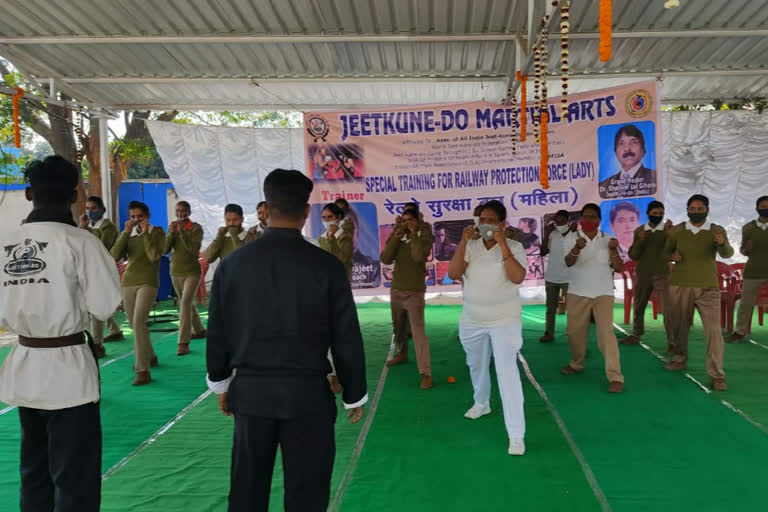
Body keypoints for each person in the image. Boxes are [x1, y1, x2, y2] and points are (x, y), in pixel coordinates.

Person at [206, 169, 367, 512]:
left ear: (266, 208)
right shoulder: (326, 266)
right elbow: (346, 335)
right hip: (307, 393)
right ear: (306, 211)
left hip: (251, 393)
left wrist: (221, 383)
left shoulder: (232, 265)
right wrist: (354, 392)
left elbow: (218, 330)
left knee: (247, 490)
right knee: (307, 491)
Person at [0, 156, 121, 511]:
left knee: (33, 470)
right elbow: (104, 306)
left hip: (25, 365)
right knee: (75, 475)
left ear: (28, 194)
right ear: (75, 195)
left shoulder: (6, 242)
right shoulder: (81, 243)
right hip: (69, 372)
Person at [448, 200, 528, 455]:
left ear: (503, 224)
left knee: (507, 372)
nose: (486, 224)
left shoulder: (514, 246)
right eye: (482, 219)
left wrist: (503, 243)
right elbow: (453, 272)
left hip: (504, 318)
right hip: (473, 317)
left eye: (492, 219)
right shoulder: (470, 246)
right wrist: (462, 243)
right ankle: (482, 402)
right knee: (476, 363)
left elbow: (517, 277)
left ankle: (516, 434)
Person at [662, 195, 733, 390]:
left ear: (707, 209)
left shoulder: (717, 230)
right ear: (687, 210)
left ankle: (717, 374)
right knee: (679, 326)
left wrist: (721, 243)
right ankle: (679, 358)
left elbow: (727, 254)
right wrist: (672, 256)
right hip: (680, 285)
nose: (695, 211)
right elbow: (665, 253)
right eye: (692, 208)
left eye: (700, 208)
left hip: (708, 287)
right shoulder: (677, 231)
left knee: (714, 331)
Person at [561, 203, 625, 393]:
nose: (589, 220)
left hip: (603, 292)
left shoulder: (608, 239)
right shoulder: (571, 237)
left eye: (592, 217)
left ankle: (615, 376)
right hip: (577, 291)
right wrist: (576, 248)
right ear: (581, 219)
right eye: (585, 217)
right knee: (574, 333)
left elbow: (619, 268)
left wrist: (614, 251)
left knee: (606, 334)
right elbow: (568, 262)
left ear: (599, 220)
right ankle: (576, 363)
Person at [112, 201, 165, 386]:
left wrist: (145, 234)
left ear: (147, 216)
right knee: (136, 326)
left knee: (138, 322)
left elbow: (154, 256)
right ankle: (150, 356)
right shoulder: (128, 234)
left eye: (139, 217)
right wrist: (125, 233)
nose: (135, 220)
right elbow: (114, 256)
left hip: (148, 281)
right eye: (132, 217)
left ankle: (142, 369)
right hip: (128, 281)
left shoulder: (156, 231)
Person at [380, 207, 435, 389]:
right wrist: (397, 235)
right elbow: (386, 259)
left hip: (415, 292)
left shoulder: (425, 234)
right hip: (396, 290)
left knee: (418, 333)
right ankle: (402, 353)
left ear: (418, 219)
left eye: (410, 220)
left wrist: (414, 233)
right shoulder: (398, 233)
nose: (407, 223)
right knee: (398, 327)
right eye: (404, 220)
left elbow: (418, 256)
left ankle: (426, 373)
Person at [621, 201, 672, 345]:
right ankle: (636, 334)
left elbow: (672, 252)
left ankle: (672, 341)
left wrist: (669, 235)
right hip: (643, 273)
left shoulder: (668, 230)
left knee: (669, 309)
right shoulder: (640, 231)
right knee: (639, 305)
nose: (658, 216)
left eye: (661, 214)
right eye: (655, 213)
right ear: (648, 213)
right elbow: (633, 255)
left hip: (663, 273)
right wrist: (641, 240)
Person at [80, 195, 123, 355]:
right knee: (98, 303)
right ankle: (115, 329)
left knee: (96, 303)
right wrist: (84, 227)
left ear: (102, 210)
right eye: (88, 208)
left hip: (104, 270)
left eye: (94, 208)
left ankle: (97, 345)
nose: (90, 212)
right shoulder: (88, 226)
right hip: (89, 269)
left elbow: (99, 247)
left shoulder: (108, 227)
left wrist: (86, 229)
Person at [165, 201, 207, 356]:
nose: (180, 213)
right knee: (186, 302)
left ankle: (183, 342)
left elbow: (193, 251)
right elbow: (165, 249)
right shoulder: (172, 227)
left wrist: (182, 234)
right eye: (178, 210)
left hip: (192, 271)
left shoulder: (196, 228)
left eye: (183, 210)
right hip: (175, 270)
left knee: (184, 304)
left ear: (189, 212)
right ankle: (200, 330)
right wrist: (171, 234)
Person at [730, 196, 768, 342]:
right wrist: (747, 249)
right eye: (763, 206)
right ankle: (739, 332)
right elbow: (743, 251)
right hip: (753, 271)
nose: (765, 209)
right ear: (757, 208)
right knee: (746, 303)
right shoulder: (748, 228)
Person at [539, 210, 572, 343]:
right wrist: (546, 234)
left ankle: (573, 333)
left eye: (562, 220)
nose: (559, 223)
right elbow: (542, 252)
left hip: (570, 277)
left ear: (568, 220)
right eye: (557, 220)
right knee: (550, 308)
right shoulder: (552, 233)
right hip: (552, 276)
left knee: (572, 309)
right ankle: (549, 333)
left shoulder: (575, 233)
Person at [599, 124, 657, 199]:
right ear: (615, 152)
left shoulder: (655, 178)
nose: (627, 148)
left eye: (634, 142)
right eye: (621, 143)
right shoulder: (603, 186)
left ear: (643, 149)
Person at [318, 203, 353, 279]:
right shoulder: (320, 239)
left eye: (330, 217)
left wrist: (331, 239)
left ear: (339, 217)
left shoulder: (346, 237)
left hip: (341, 280)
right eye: (324, 217)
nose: (326, 220)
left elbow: (342, 261)